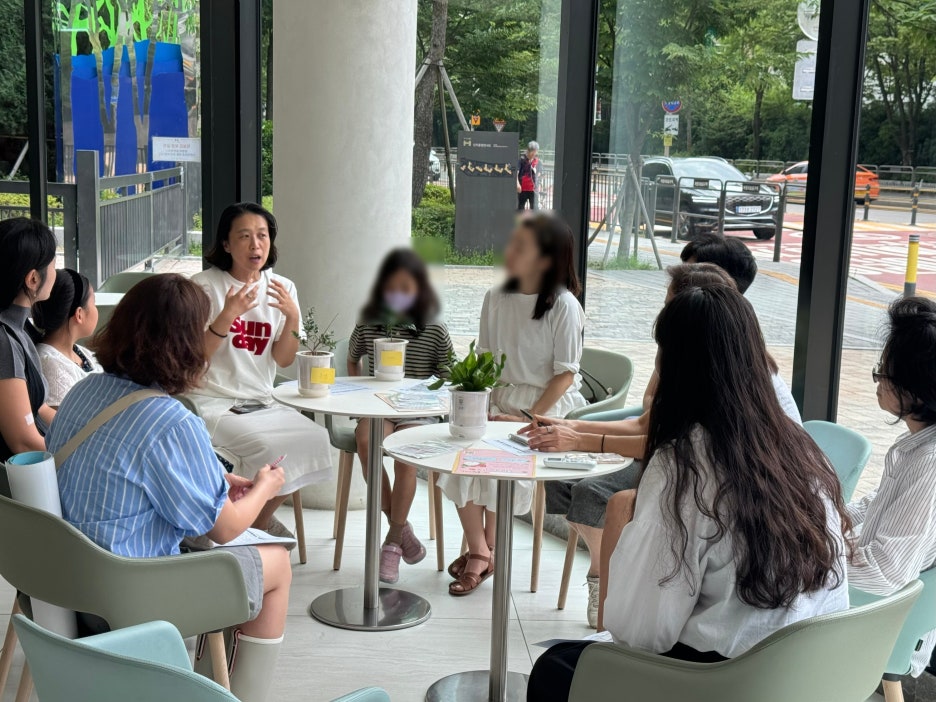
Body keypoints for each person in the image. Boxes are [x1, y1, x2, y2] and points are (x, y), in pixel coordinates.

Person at [526, 284, 850, 701]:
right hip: (803, 676)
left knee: (555, 670)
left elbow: (640, 632)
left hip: (720, 684)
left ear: (675, 367)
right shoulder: (800, 448)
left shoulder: (684, 467)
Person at [48, 274, 291, 702]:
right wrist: (266, 487)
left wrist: (213, 479)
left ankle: (200, 687)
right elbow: (226, 528)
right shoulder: (172, 420)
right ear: (185, 344)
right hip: (130, 597)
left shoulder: (84, 390)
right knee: (277, 564)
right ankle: (225, 695)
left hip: (68, 583)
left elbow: (122, 471)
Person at [538, 234, 799, 628]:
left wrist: (580, 438)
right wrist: (571, 426)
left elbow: (640, 634)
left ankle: (603, 575)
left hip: (717, 644)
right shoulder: (801, 456)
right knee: (567, 481)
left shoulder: (698, 451)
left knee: (606, 498)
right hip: (767, 642)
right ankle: (605, 572)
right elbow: (650, 420)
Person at [437, 212, 587, 596]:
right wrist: (479, 403)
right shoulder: (496, 297)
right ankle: (482, 549)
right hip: (499, 396)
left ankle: (483, 553)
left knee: (503, 463)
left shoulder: (564, 305)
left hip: (546, 406)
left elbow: (565, 375)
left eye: (521, 245)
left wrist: (527, 418)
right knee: (459, 459)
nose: (509, 250)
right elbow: (485, 360)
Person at [186, 202, 332, 539]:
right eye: (245, 236)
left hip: (261, 402)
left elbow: (283, 360)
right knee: (269, 449)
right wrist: (228, 314)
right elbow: (196, 356)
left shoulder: (283, 288)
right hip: (213, 402)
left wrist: (292, 317)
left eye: (262, 236)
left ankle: (256, 523)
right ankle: (250, 526)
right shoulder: (204, 286)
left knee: (315, 437)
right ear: (226, 244)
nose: (255, 245)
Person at [348, 248, 453, 583]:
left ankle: (393, 542)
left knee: (405, 454)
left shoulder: (434, 329)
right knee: (366, 440)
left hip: (418, 410)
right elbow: (352, 358)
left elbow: (450, 375)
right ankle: (403, 529)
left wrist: (428, 396)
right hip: (379, 406)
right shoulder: (369, 323)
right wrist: (360, 396)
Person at [848, 296, 936, 677]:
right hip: (873, 607)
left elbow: (884, 571)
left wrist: (816, 547)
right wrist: (824, 517)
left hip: (884, 625)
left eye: (883, 372)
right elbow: (877, 505)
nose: (878, 379)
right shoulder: (917, 448)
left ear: (916, 388)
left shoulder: (929, 464)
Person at [0, 218, 57, 461]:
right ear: (33, 279)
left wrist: (83, 433)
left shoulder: (18, 326)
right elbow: (23, 443)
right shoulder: (4, 339)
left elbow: (38, 407)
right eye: (53, 264)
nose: (56, 272)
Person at [32, 268, 101, 408]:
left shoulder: (80, 352)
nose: (96, 309)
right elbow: (64, 419)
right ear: (79, 314)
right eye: (94, 303)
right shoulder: (49, 363)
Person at [517, 141, 540, 211]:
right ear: (528, 150)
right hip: (522, 189)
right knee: (521, 208)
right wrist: (517, 184)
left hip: (533, 189)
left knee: (534, 208)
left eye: (535, 152)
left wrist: (539, 183)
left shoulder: (537, 161)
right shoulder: (521, 160)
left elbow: (540, 173)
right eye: (532, 152)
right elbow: (516, 173)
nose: (534, 154)